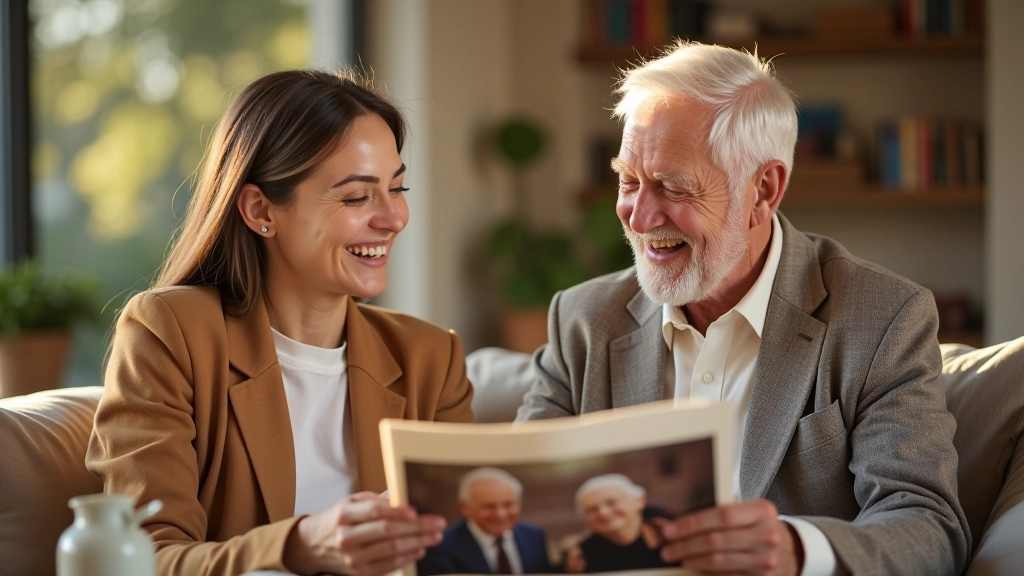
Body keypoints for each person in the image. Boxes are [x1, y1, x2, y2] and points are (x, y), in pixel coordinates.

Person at [517, 41, 970, 576]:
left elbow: (928, 526)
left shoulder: (882, 319)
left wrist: (796, 551)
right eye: (629, 181)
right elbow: (523, 504)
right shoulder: (583, 320)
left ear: (764, 189)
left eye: (671, 186)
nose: (638, 217)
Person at [86, 69, 474, 576]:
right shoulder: (171, 332)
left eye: (396, 188)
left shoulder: (430, 357)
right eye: (358, 197)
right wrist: (300, 544)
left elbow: (466, 552)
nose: (393, 218)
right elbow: (140, 559)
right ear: (260, 209)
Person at [418, 468, 553, 575]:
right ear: (464, 508)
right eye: (489, 506)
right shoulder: (441, 546)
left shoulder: (534, 535)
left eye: (508, 504)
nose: (501, 514)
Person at [565, 474, 671, 573]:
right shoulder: (582, 556)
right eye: (592, 509)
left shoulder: (670, 534)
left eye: (611, 502)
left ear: (640, 501)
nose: (603, 513)